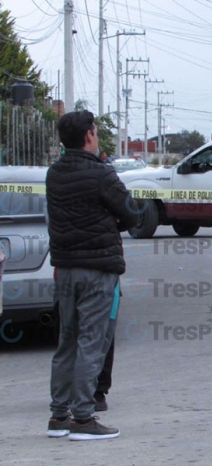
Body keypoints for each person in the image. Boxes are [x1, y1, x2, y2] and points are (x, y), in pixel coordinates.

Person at [46, 110, 139, 441]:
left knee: (67, 340)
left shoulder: (53, 174)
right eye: (96, 132)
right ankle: (83, 417)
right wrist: (112, 220)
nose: (97, 136)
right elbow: (132, 213)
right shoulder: (101, 174)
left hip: (65, 269)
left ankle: (59, 415)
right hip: (98, 269)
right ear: (88, 135)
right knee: (92, 341)